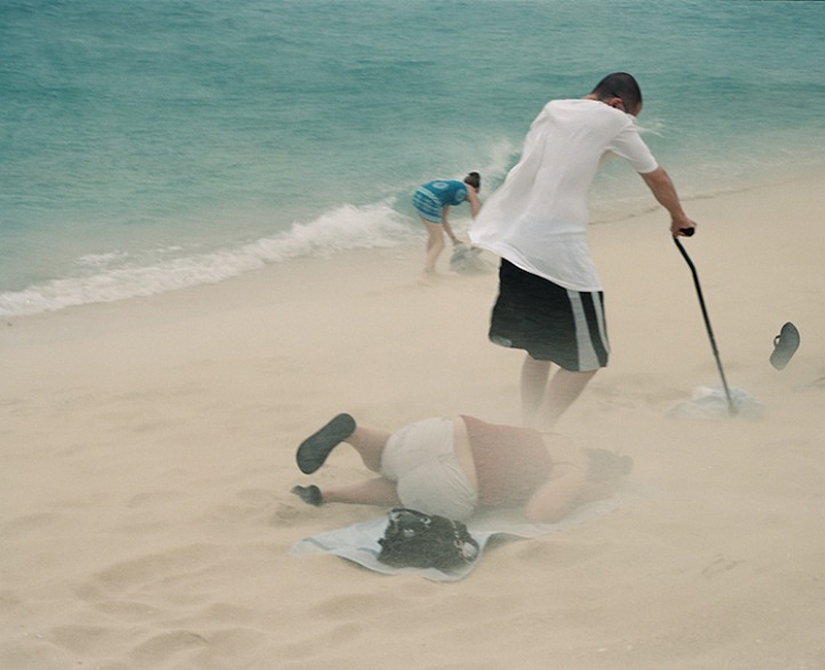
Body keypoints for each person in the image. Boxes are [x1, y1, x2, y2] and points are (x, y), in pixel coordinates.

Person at [469, 73, 697, 429]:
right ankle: (539, 432)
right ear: (617, 104)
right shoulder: (614, 119)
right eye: (631, 117)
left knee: (539, 348)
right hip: (555, 252)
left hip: (515, 244)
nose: (630, 125)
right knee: (591, 358)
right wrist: (678, 217)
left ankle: (527, 424)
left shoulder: (553, 109)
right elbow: (656, 175)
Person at [290, 412, 632, 524]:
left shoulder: (555, 436)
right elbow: (540, 512)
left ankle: (354, 434)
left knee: (391, 454)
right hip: (457, 483)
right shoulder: (571, 468)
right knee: (404, 491)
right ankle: (328, 495)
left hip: (443, 432)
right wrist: (584, 492)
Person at [413, 172, 482, 276]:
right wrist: (478, 241)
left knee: (433, 238)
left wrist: (453, 238)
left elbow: (443, 219)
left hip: (419, 194)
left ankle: (431, 269)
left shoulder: (453, 189)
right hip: (430, 200)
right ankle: (426, 274)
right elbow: (477, 219)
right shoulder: (471, 192)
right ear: (477, 189)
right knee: (439, 244)